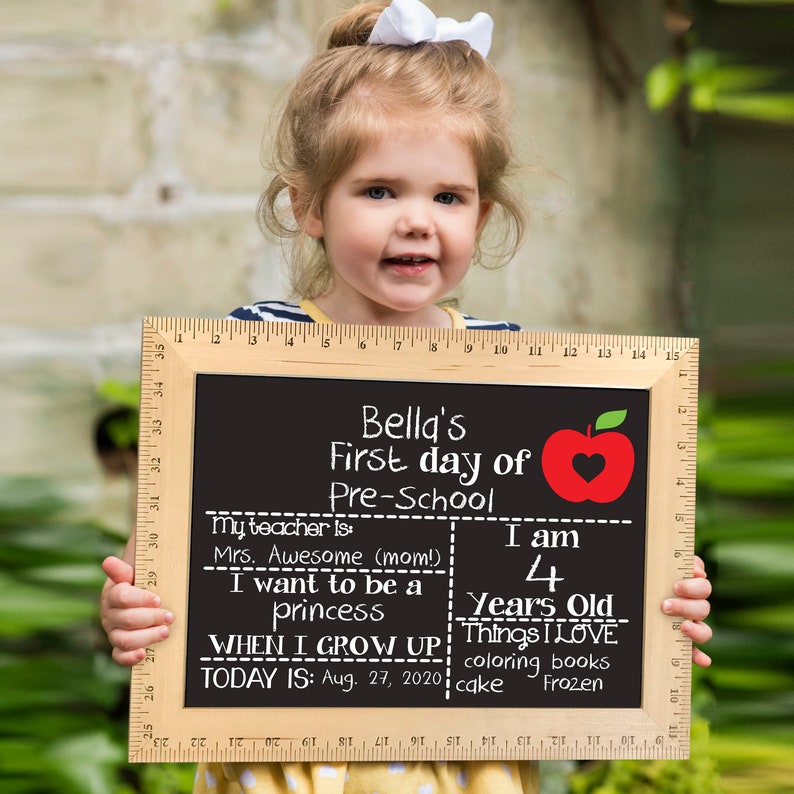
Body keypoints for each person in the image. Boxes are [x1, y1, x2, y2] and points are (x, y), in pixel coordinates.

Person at [100, 1, 713, 792]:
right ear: (310, 206)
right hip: (288, 748)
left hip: (463, 757)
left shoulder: (514, 369)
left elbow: (573, 563)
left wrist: (657, 600)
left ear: (482, 213)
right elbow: (189, 544)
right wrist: (138, 611)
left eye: (448, 198)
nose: (418, 222)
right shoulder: (252, 350)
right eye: (381, 191)